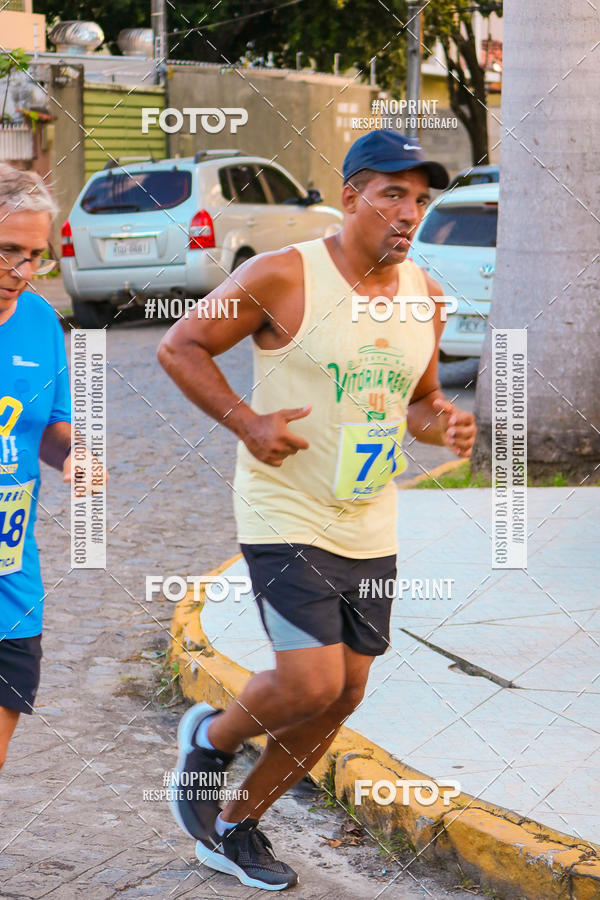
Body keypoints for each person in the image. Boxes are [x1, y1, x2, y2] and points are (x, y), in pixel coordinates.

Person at [158, 130, 477, 890]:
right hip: (284, 511)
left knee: (346, 692)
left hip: (368, 519)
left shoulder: (425, 296)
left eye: (421, 199)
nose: (408, 213)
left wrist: (448, 425)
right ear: (351, 197)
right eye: (392, 194)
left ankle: (236, 826)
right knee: (306, 683)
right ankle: (211, 735)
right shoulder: (283, 276)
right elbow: (180, 346)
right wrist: (247, 421)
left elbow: (421, 405)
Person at [0, 164, 104, 770]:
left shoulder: (40, 321)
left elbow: (50, 428)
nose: (21, 272)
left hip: (13, 580)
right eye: (7, 251)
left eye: (35, 256)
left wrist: (77, 456)